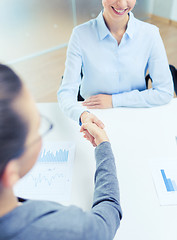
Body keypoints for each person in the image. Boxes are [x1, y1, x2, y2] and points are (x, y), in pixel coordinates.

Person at [0, 64, 122, 240]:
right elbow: (105, 221)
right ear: (9, 173)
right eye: (37, 129)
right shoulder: (64, 229)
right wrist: (104, 147)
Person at [57, 0, 174, 127]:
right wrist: (82, 115)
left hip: (137, 114)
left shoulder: (150, 34)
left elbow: (165, 92)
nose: (122, 5)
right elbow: (66, 92)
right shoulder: (80, 34)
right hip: (94, 115)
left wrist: (113, 101)